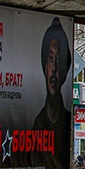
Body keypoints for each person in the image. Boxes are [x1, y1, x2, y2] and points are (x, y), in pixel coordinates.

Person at [31, 19, 73, 159]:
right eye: (50, 59)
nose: (54, 67)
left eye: (59, 59)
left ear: (65, 69)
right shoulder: (37, 125)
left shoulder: (68, 121)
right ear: (44, 66)